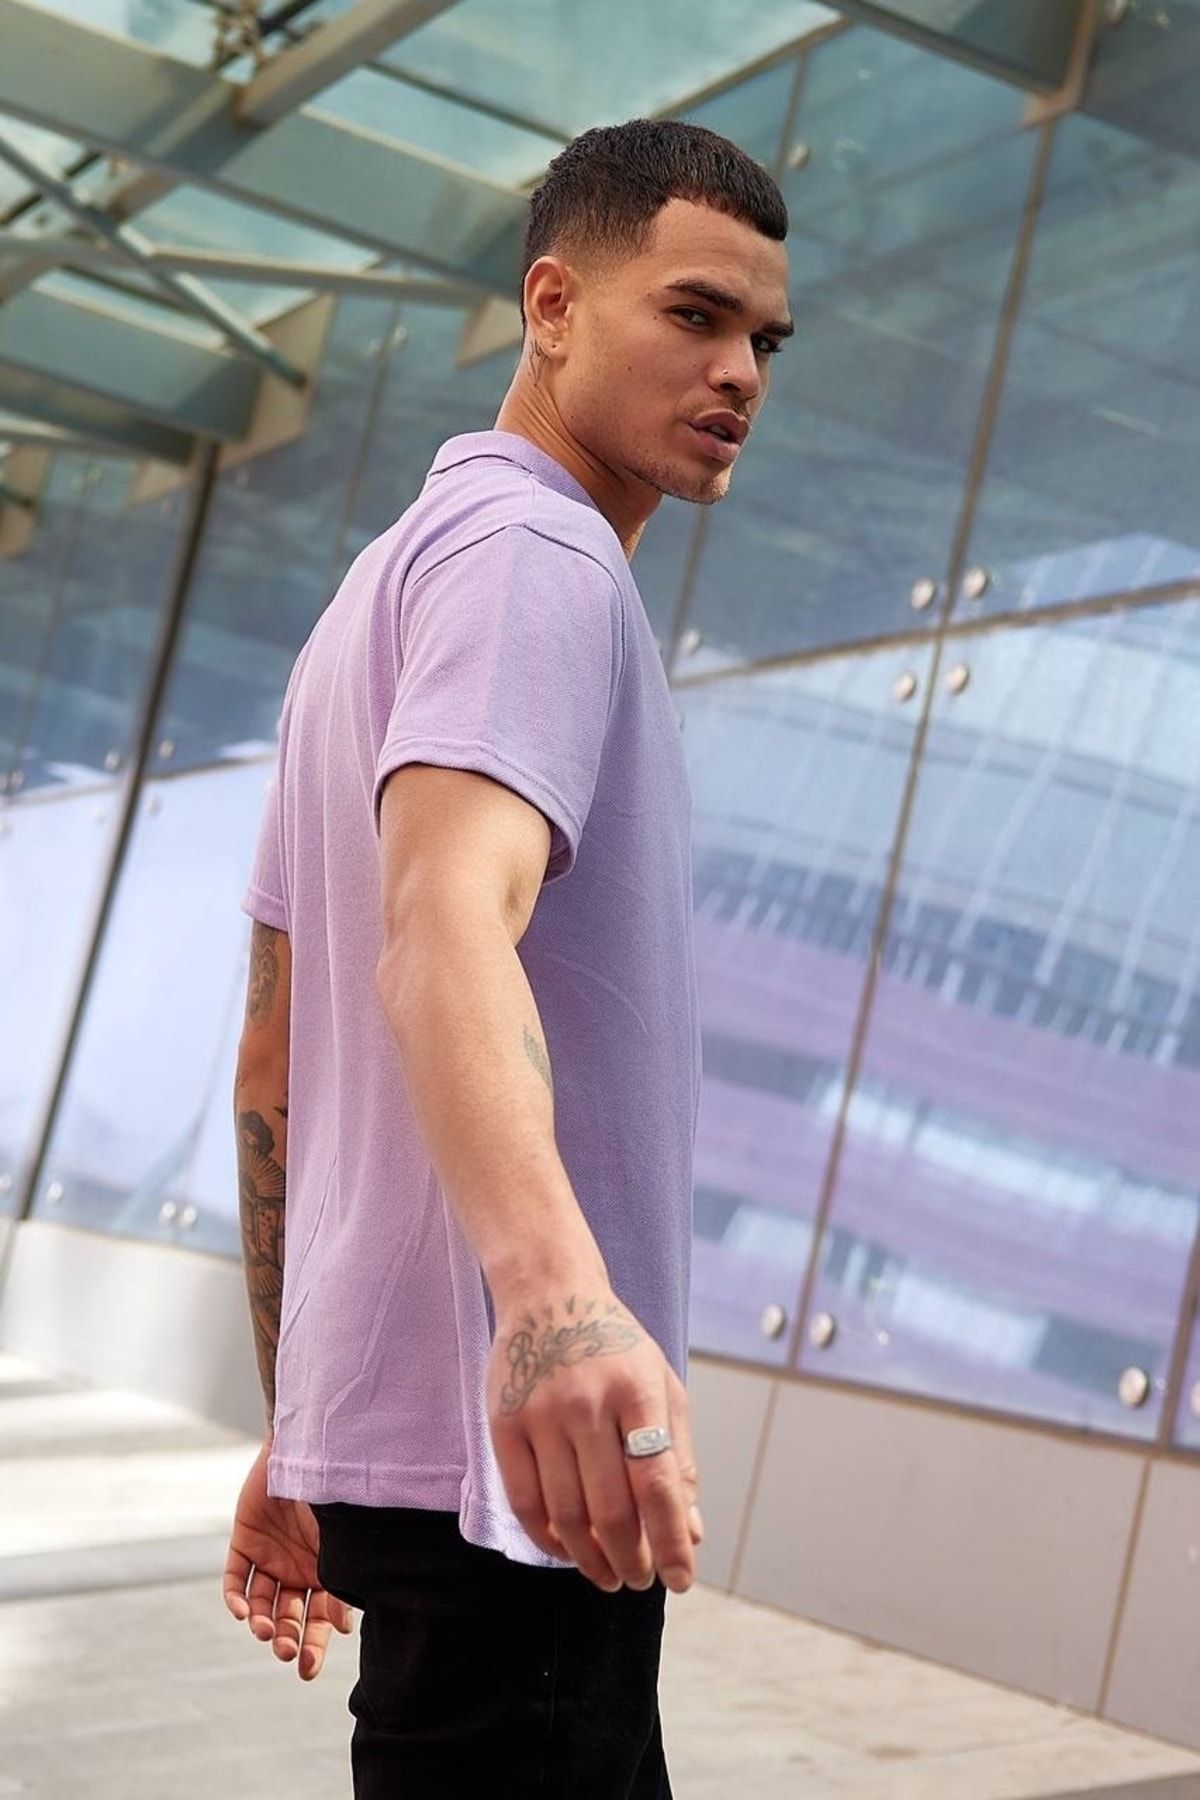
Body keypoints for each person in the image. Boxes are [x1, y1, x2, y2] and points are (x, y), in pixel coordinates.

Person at [222, 117, 791, 1796]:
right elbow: (444, 921)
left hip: (435, 1454)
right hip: (526, 1463)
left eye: (765, 339)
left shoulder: (376, 592)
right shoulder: (541, 557)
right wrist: (553, 1305)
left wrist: (309, 1419)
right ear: (551, 306)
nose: (740, 371)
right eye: (693, 314)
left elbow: (275, 1059)